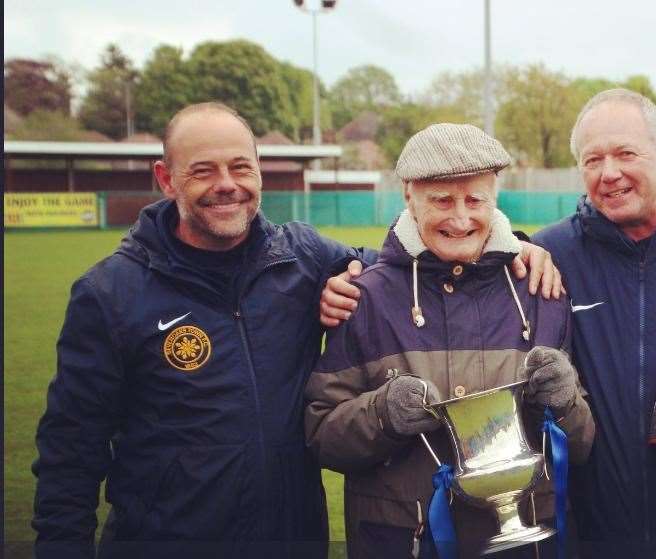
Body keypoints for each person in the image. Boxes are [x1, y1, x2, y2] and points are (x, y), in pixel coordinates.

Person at [31, 102, 561, 559]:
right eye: (203, 171)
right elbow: (69, 451)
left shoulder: (303, 258)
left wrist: (512, 245)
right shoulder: (110, 293)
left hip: (294, 540)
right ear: (166, 179)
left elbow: (419, 262)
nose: (227, 185)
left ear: (259, 171)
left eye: (241, 166)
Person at [324, 90, 656, 557]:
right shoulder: (547, 259)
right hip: (588, 537)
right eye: (592, 159)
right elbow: (446, 263)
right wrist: (351, 271)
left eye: (625, 154)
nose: (609, 173)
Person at [303, 123, 595, 559]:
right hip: (403, 544)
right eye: (442, 200)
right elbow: (320, 433)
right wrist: (380, 415)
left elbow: (582, 444)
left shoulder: (541, 291)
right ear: (409, 196)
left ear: (495, 197)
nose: (461, 219)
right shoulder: (362, 299)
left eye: (475, 200)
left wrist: (564, 400)